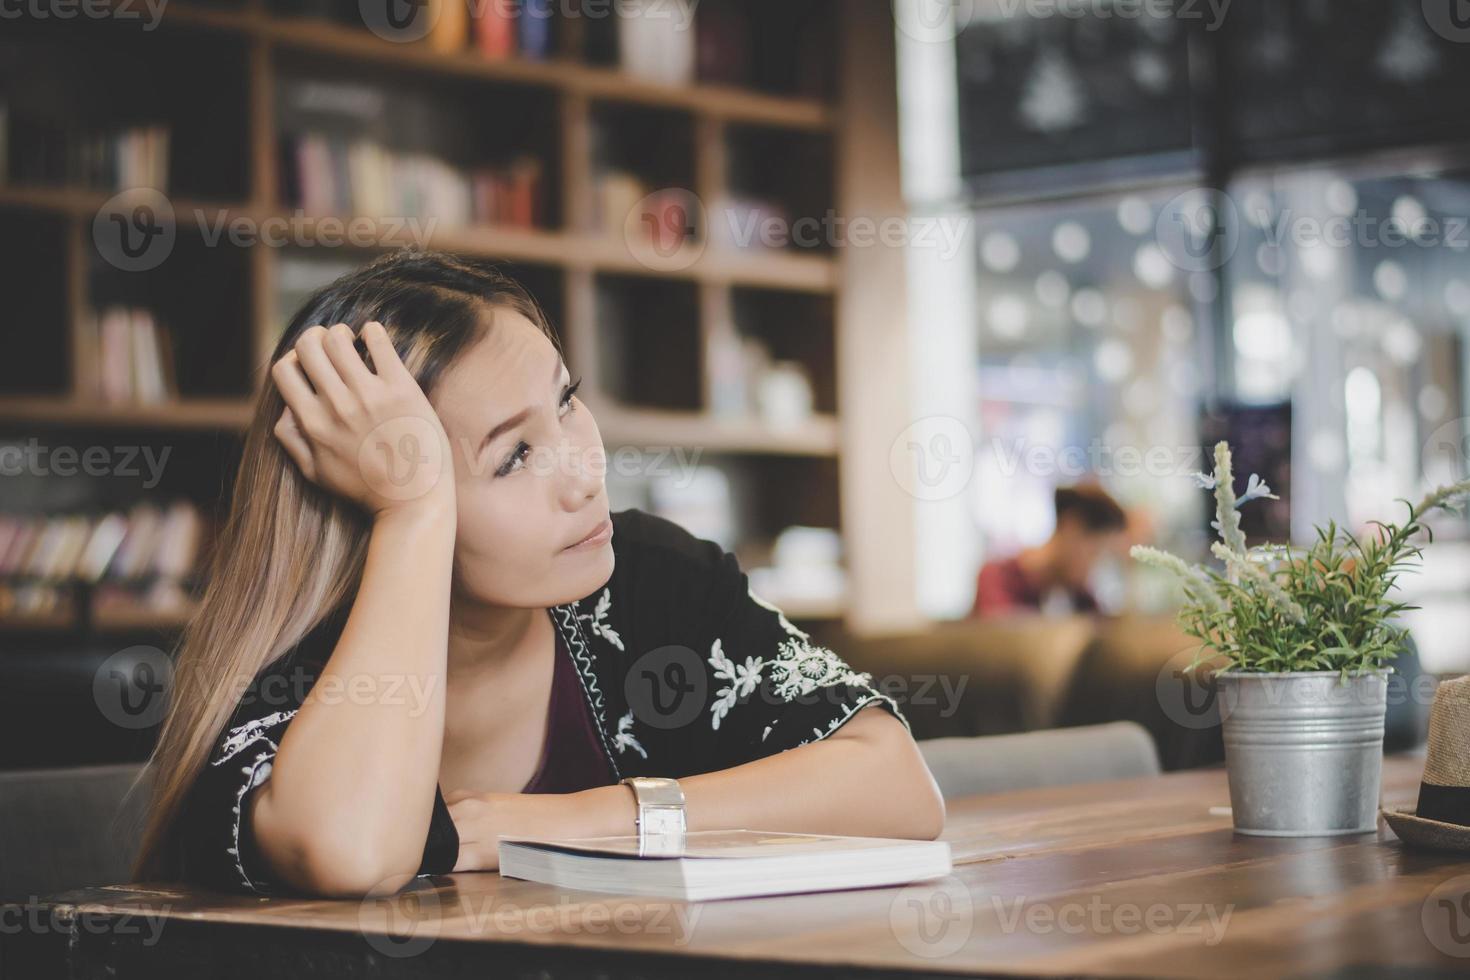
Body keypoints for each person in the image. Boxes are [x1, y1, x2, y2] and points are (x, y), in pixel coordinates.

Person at [127, 249, 943, 899]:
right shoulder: (290, 671)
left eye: (566, 401)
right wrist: (412, 512)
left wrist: (559, 822)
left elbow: (898, 786)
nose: (584, 473)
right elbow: (350, 851)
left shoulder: (649, 582)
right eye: (513, 456)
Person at [969, 482, 1127, 618]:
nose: (1095, 567)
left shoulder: (1077, 594)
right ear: (1071, 528)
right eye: (1096, 553)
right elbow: (1009, 641)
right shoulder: (997, 579)